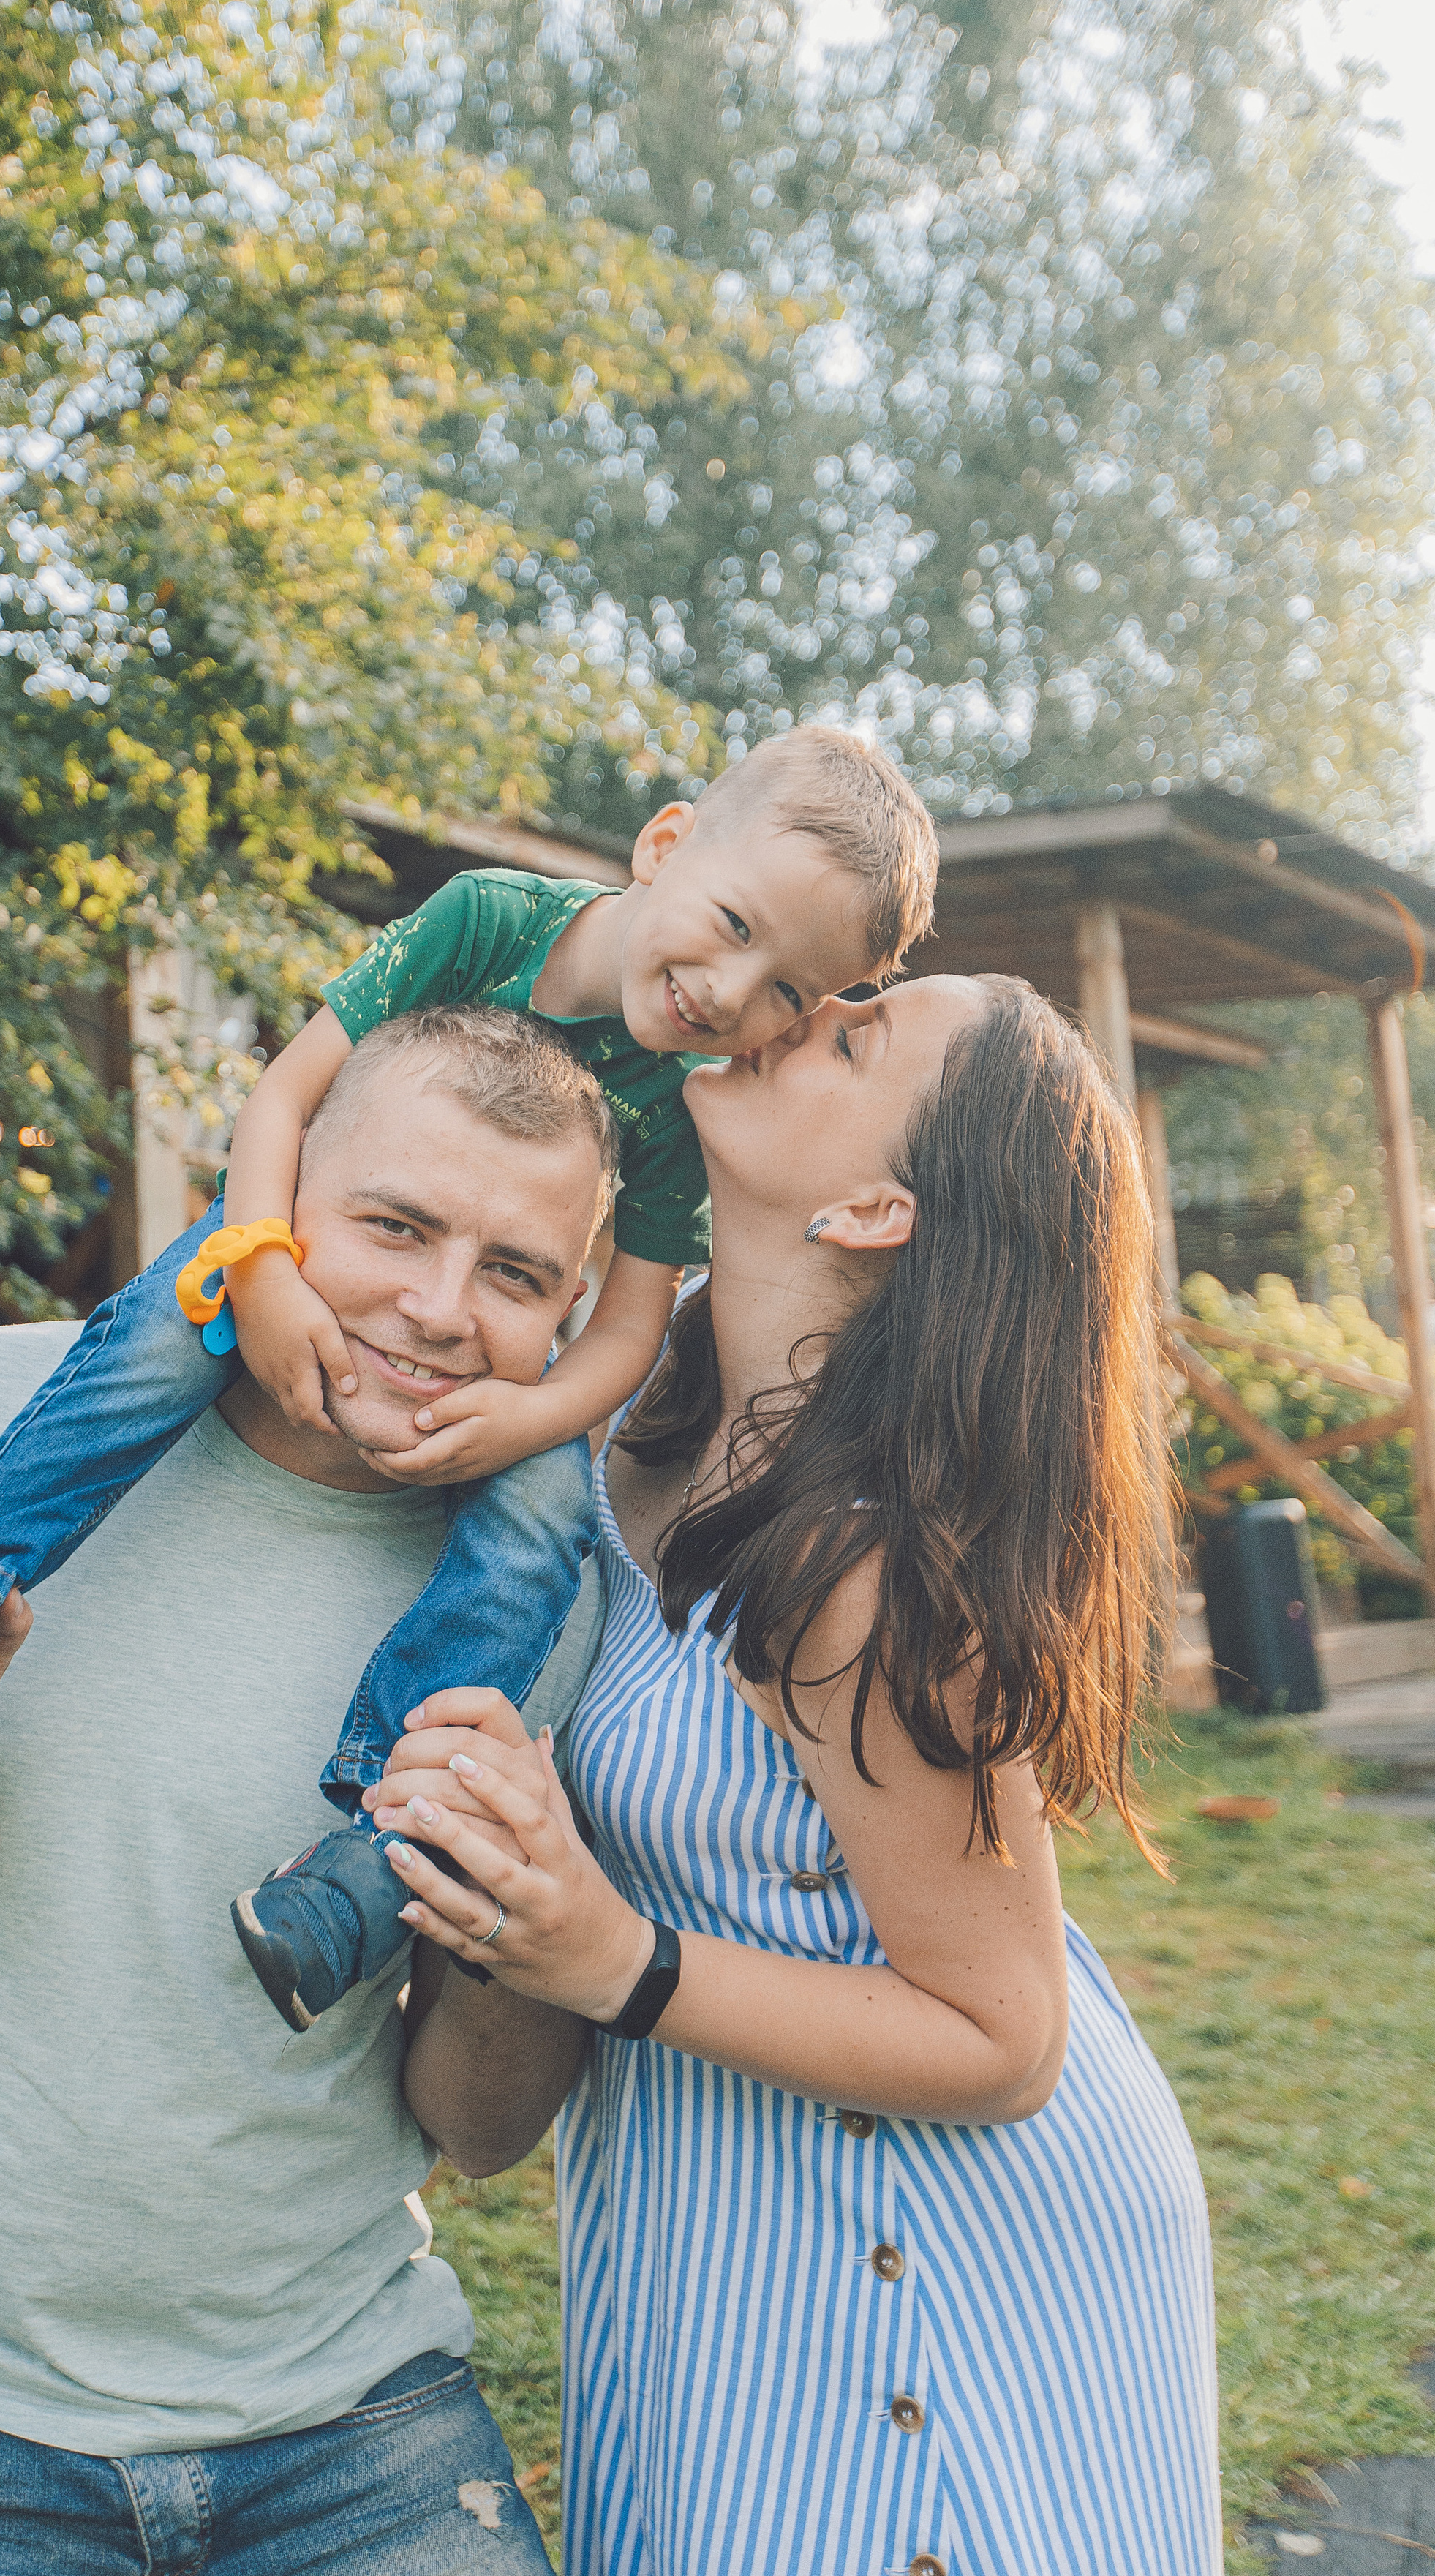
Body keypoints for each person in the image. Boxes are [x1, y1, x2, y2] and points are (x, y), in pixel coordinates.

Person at [0, 728, 940, 2032]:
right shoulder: (490, 920)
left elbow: (627, 1329)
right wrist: (263, 1267)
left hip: (507, 1387)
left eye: (787, 991)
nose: (731, 992)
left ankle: (381, 1843)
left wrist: (525, 1419)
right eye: (734, 925)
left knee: (538, 1529)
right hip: (281, 1239)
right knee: (153, 1342)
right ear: (666, 844)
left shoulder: (682, 1104)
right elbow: (286, 1099)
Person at [0, 1005, 617, 2576]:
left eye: (513, 1274)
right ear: (276, 1197)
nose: (440, 1311)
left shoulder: (546, 1596)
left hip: (345, 2420)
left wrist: (520, 1916)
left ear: (573, 1309)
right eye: (394, 1227)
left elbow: (478, 2126)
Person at [369, 976, 1224, 2576]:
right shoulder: (628, 1397)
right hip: (703, 2216)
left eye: (852, 1035)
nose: (797, 1007)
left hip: (932, 2258)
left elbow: (1005, 2037)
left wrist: (613, 1959)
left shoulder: (867, 1564)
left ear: (875, 1207)